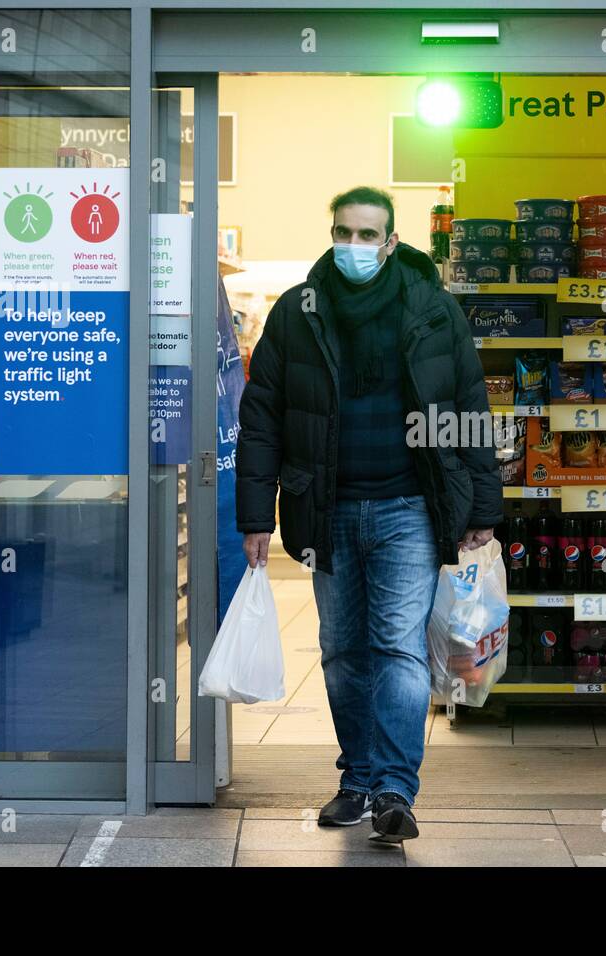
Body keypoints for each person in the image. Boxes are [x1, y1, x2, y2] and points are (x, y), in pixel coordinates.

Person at [234, 186, 502, 843]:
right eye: (342, 234)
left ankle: (392, 790)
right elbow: (262, 414)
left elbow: (469, 404)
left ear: (390, 242)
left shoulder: (433, 311)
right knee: (341, 650)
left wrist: (484, 506)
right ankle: (355, 780)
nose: (354, 247)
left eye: (366, 236)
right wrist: (254, 514)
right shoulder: (299, 313)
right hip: (326, 507)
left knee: (396, 647)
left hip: (411, 505)